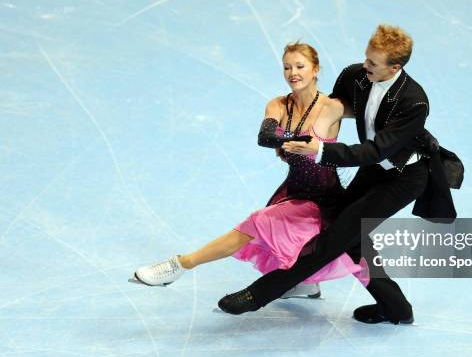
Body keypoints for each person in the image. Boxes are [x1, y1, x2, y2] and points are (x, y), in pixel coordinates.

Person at [217, 24, 457, 324]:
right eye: (366, 58)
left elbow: (375, 151)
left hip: (403, 176)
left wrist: (319, 151)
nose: (364, 65)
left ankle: (258, 295)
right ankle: (396, 308)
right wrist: (292, 131)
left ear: (395, 67)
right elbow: (326, 109)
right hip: (373, 170)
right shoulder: (356, 76)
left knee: (336, 237)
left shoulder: (413, 101)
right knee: (349, 239)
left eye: (373, 63)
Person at [129, 42, 366, 297]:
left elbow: (372, 112)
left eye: (300, 66)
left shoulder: (332, 107)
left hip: (324, 200)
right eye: (287, 67)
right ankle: (304, 284)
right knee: (278, 238)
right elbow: (265, 136)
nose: (293, 73)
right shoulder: (278, 104)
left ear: (316, 69)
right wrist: (294, 140)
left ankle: (179, 265)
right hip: (294, 192)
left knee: (254, 226)